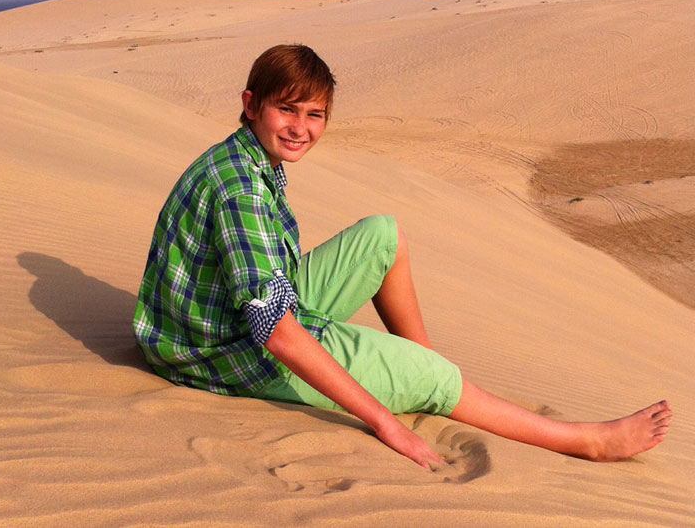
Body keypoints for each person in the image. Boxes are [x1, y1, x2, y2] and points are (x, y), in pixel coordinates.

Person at [133, 44, 672, 469]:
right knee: (427, 375)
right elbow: (274, 331)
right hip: (228, 353)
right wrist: (385, 422)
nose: (301, 127)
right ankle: (582, 440)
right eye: (286, 109)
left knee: (384, 237)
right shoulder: (240, 191)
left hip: (214, 323)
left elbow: (267, 287)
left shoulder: (248, 159)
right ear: (251, 104)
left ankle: (432, 382)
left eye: (315, 114)